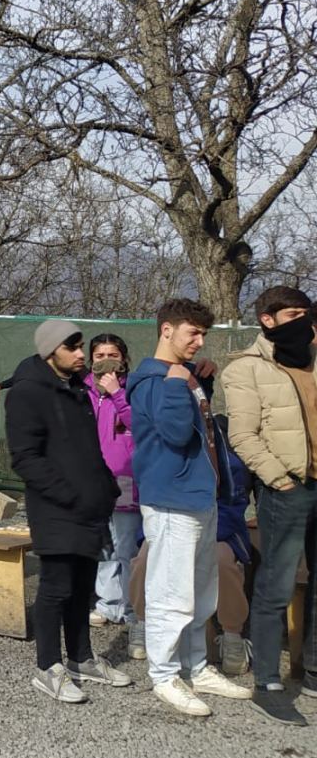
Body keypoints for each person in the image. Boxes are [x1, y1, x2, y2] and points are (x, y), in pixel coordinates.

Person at [128, 298, 251, 716]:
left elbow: (199, 428)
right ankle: (164, 675)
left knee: (201, 591)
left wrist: (200, 382)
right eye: (191, 333)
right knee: (170, 592)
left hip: (201, 497)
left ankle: (195, 666)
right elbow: (177, 432)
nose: (199, 342)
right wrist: (179, 383)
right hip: (171, 502)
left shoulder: (183, 375)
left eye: (203, 334)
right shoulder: (152, 380)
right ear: (166, 330)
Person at [7, 319, 132, 703]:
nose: (82, 354)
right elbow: (25, 458)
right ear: (50, 352)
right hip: (56, 507)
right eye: (73, 347)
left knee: (82, 589)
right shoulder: (27, 393)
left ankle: (82, 659)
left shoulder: (77, 390)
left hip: (90, 506)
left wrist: (105, 489)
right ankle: (48, 668)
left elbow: (89, 450)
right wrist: (69, 494)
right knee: (56, 588)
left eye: (81, 346)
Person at [220, 285, 317, 725]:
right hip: (287, 489)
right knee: (275, 584)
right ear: (268, 319)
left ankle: (312, 669)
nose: (304, 321)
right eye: (293, 314)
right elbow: (243, 436)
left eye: (307, 313)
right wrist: (279, 481)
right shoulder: (246, 369)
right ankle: (268, 683)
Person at [129, 415, 253, 681]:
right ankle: (142, 622)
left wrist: (195, 535)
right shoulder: (162, 458)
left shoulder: (230, 465)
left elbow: (233, 509)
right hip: (169, 528)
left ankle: (232, 635)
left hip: (218, 532)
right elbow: (149, 504)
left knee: (222, 562)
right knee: (144, 558)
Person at [86, 334, 140, 629]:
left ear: (124, 358)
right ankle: (107, 604)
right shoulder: (83, 389)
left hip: (125, 474)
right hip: (93, 476)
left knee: (126, 545)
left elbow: (140, 426)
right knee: (104, 544)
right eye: (99, 354)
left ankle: (132, 606)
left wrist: (117, 393)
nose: (106, 360)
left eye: (113, 354)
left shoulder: (133, 388)